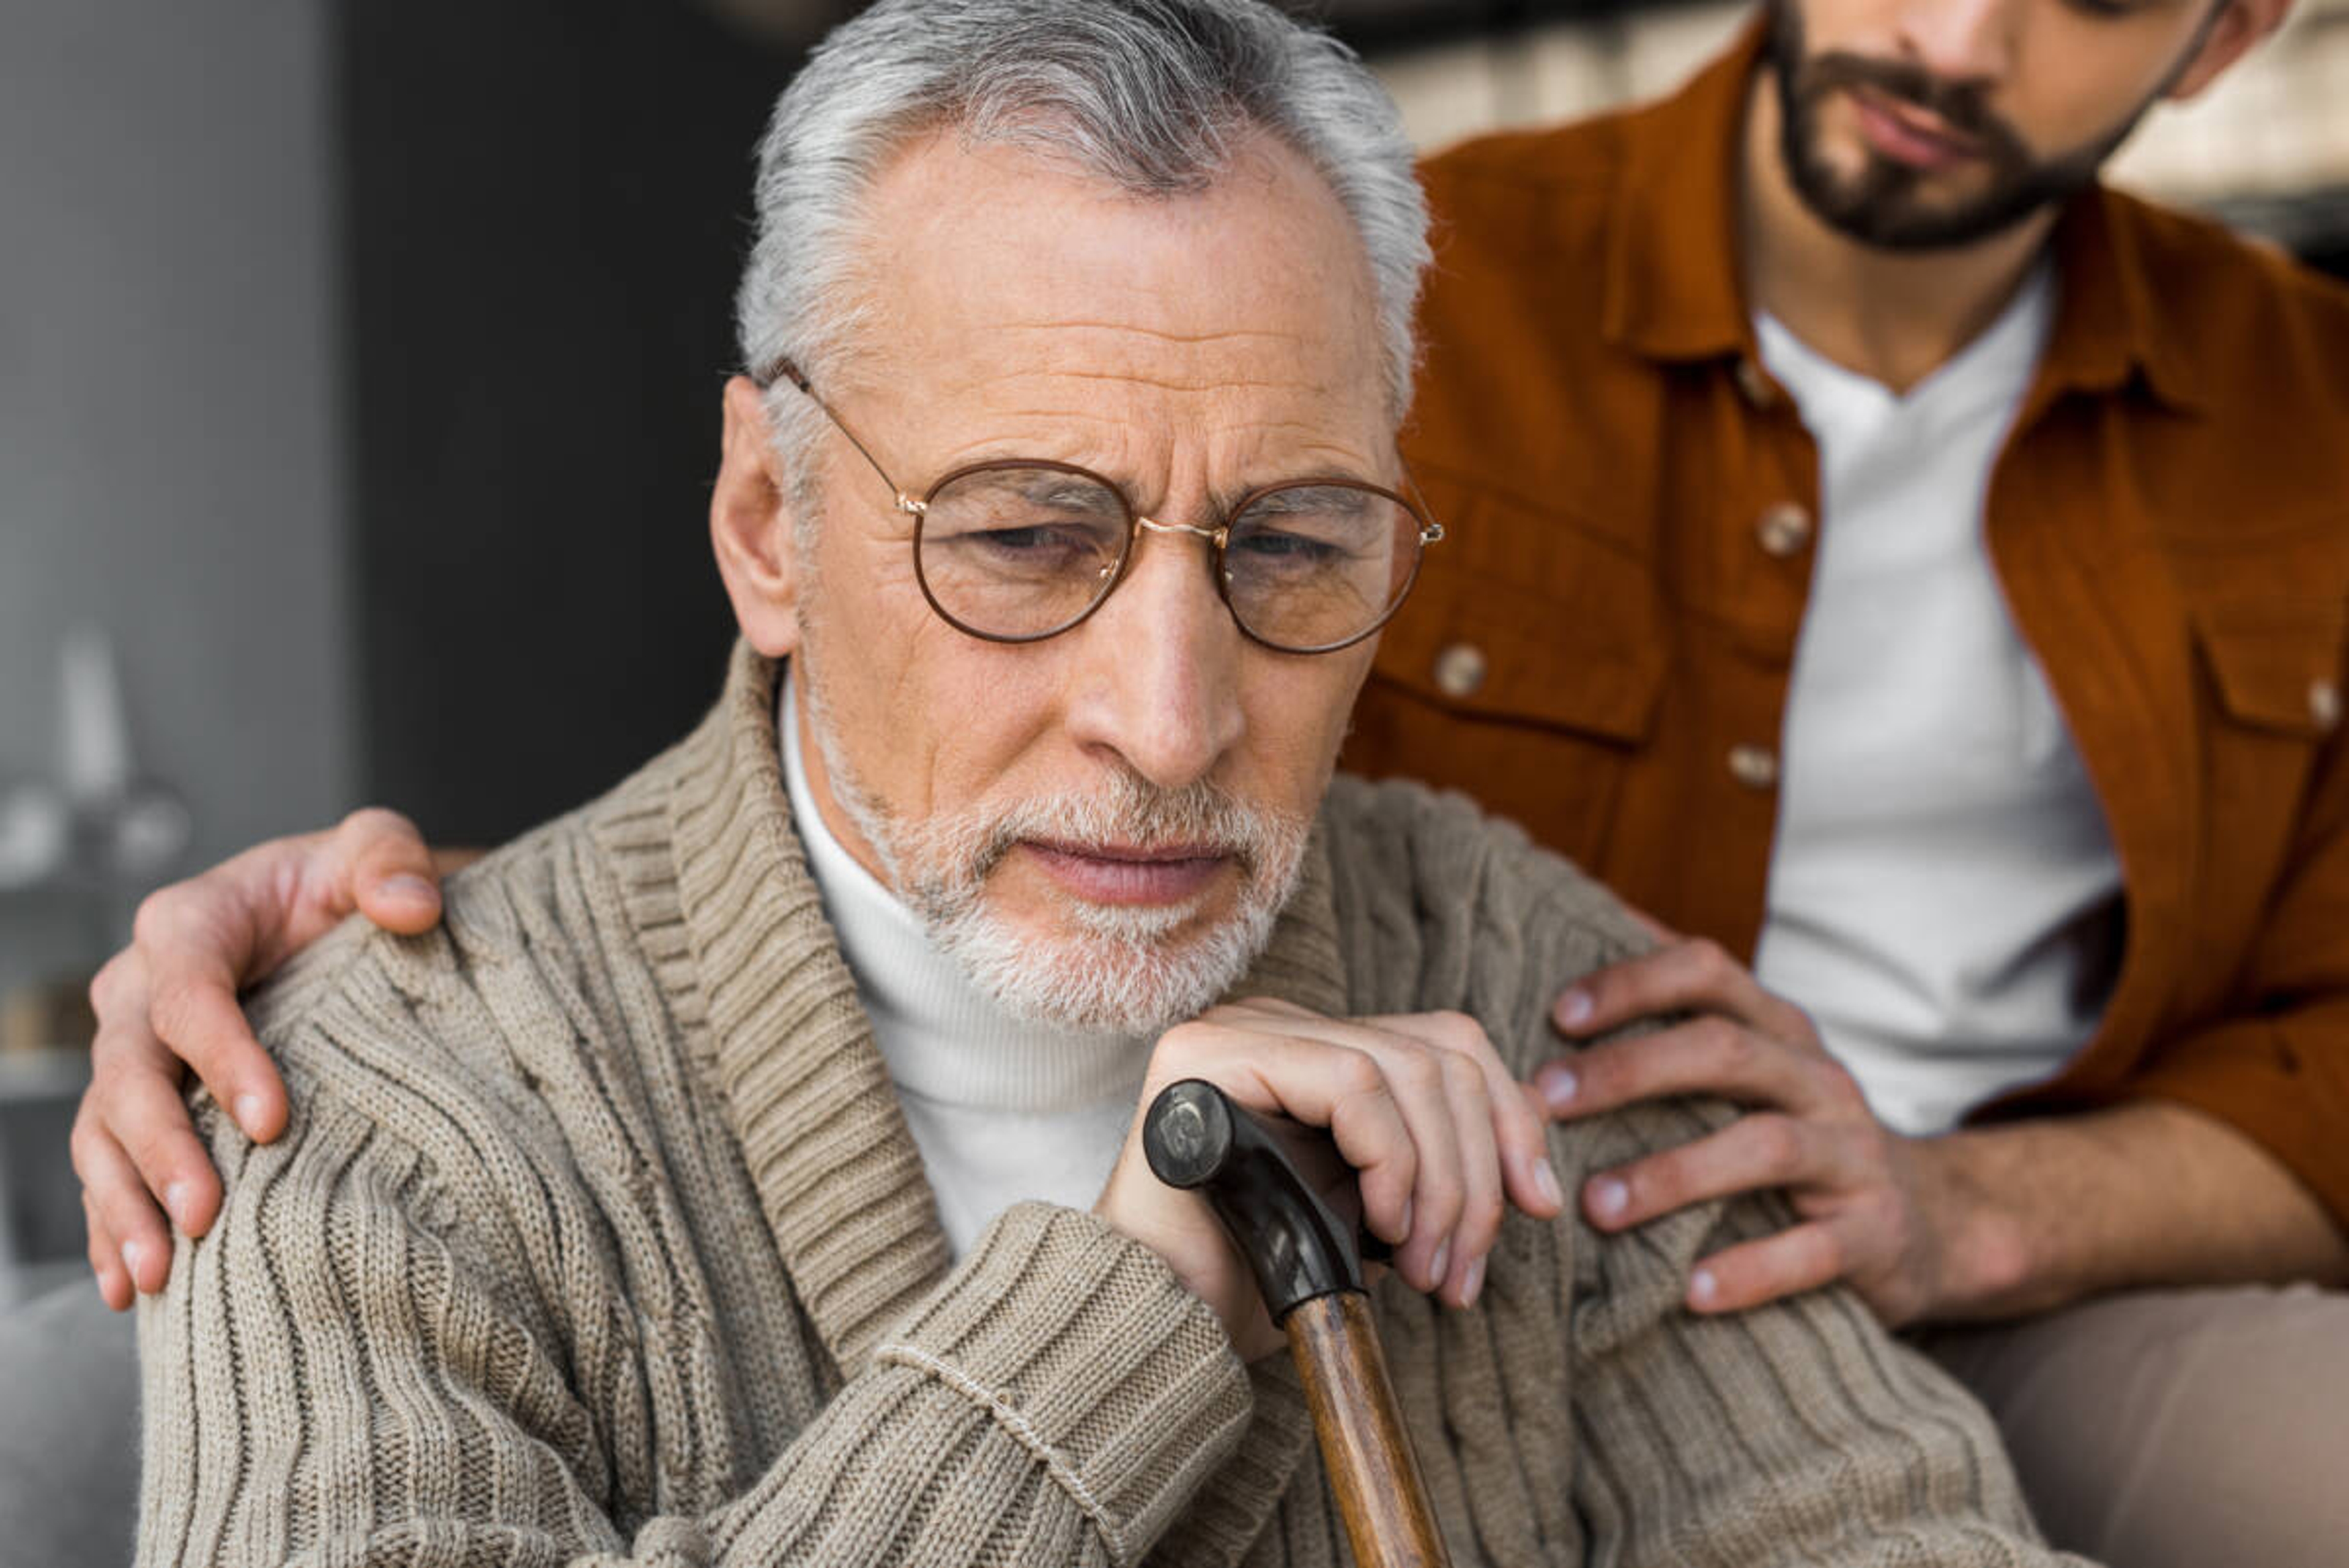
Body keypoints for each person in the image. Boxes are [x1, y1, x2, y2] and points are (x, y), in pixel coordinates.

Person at [62, 0, 2349, 1559]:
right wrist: (1141, 1296)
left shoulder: (1547, 985)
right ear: (771, 525)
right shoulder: (365, 1114)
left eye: (1293, 547)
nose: (1171, 720)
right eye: (1027, 540)